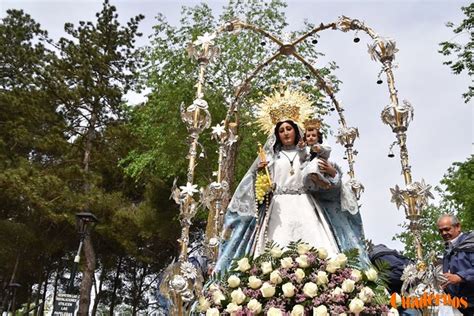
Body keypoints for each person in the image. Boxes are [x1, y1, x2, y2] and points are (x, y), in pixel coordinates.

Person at [214, 88, 369, 273]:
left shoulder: (310, 154)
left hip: (306, 205)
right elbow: (253, 190)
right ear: (276, 134)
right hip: (277, 210)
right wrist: (262, 179)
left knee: (318, 251)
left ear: (296, 130)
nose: (286, 133)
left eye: (289, 129)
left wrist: (334, 174)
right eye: (281, 130)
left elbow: (328, 185)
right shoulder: (270, 159)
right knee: (274, 253)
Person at [438, 214, 474, 316]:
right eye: (440, 231)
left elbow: (457, 277)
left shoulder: (471, 243)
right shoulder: (448, 250)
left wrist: (460, 277)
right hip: (459, 306)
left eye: (447, 229)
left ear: (458, 227)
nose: (444, 233)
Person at [298, 119, 333, 190]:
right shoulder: (306, 148)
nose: (310, 137)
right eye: (308, 136)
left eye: (313, 135)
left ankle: (322, 182)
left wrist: (320, 149)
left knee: (316, 163)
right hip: (308, 168)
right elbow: (303, 157)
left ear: (318, 137)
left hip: (319, 166)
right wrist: (302, 149)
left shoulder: (321, 146)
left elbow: (328, 151)